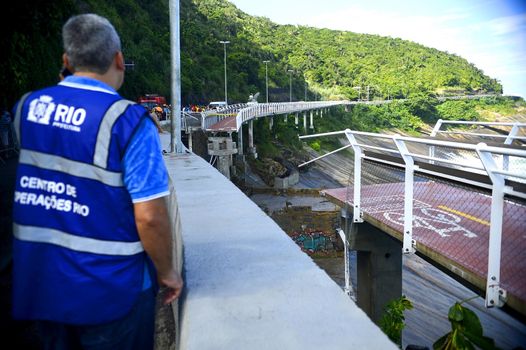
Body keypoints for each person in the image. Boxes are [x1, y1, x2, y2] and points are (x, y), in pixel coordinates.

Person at [10, 13, 183, 349]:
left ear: (66, 61)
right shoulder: (127, 121)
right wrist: (168, 272)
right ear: (119, 60)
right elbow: (150, 215)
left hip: (43, 286)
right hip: (111, 292)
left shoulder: (26, 108)